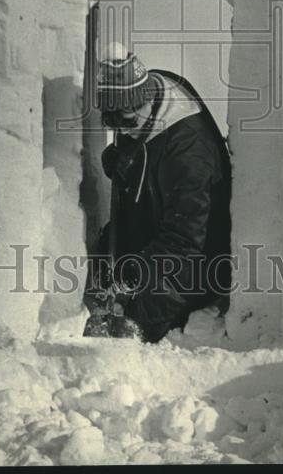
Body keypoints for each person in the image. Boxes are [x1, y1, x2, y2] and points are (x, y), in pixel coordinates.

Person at [84, 46, 232, 343]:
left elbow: (187, 239)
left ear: (145, 104)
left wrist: (133, 275)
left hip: (195, 263)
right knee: (99, 267)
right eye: (115, 126)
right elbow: (136, 147)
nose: (124, 133)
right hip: (154, 233)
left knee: (138, 321)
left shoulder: (189, 156)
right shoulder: (147, 101)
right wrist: (122, 159)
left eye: (127, 124)